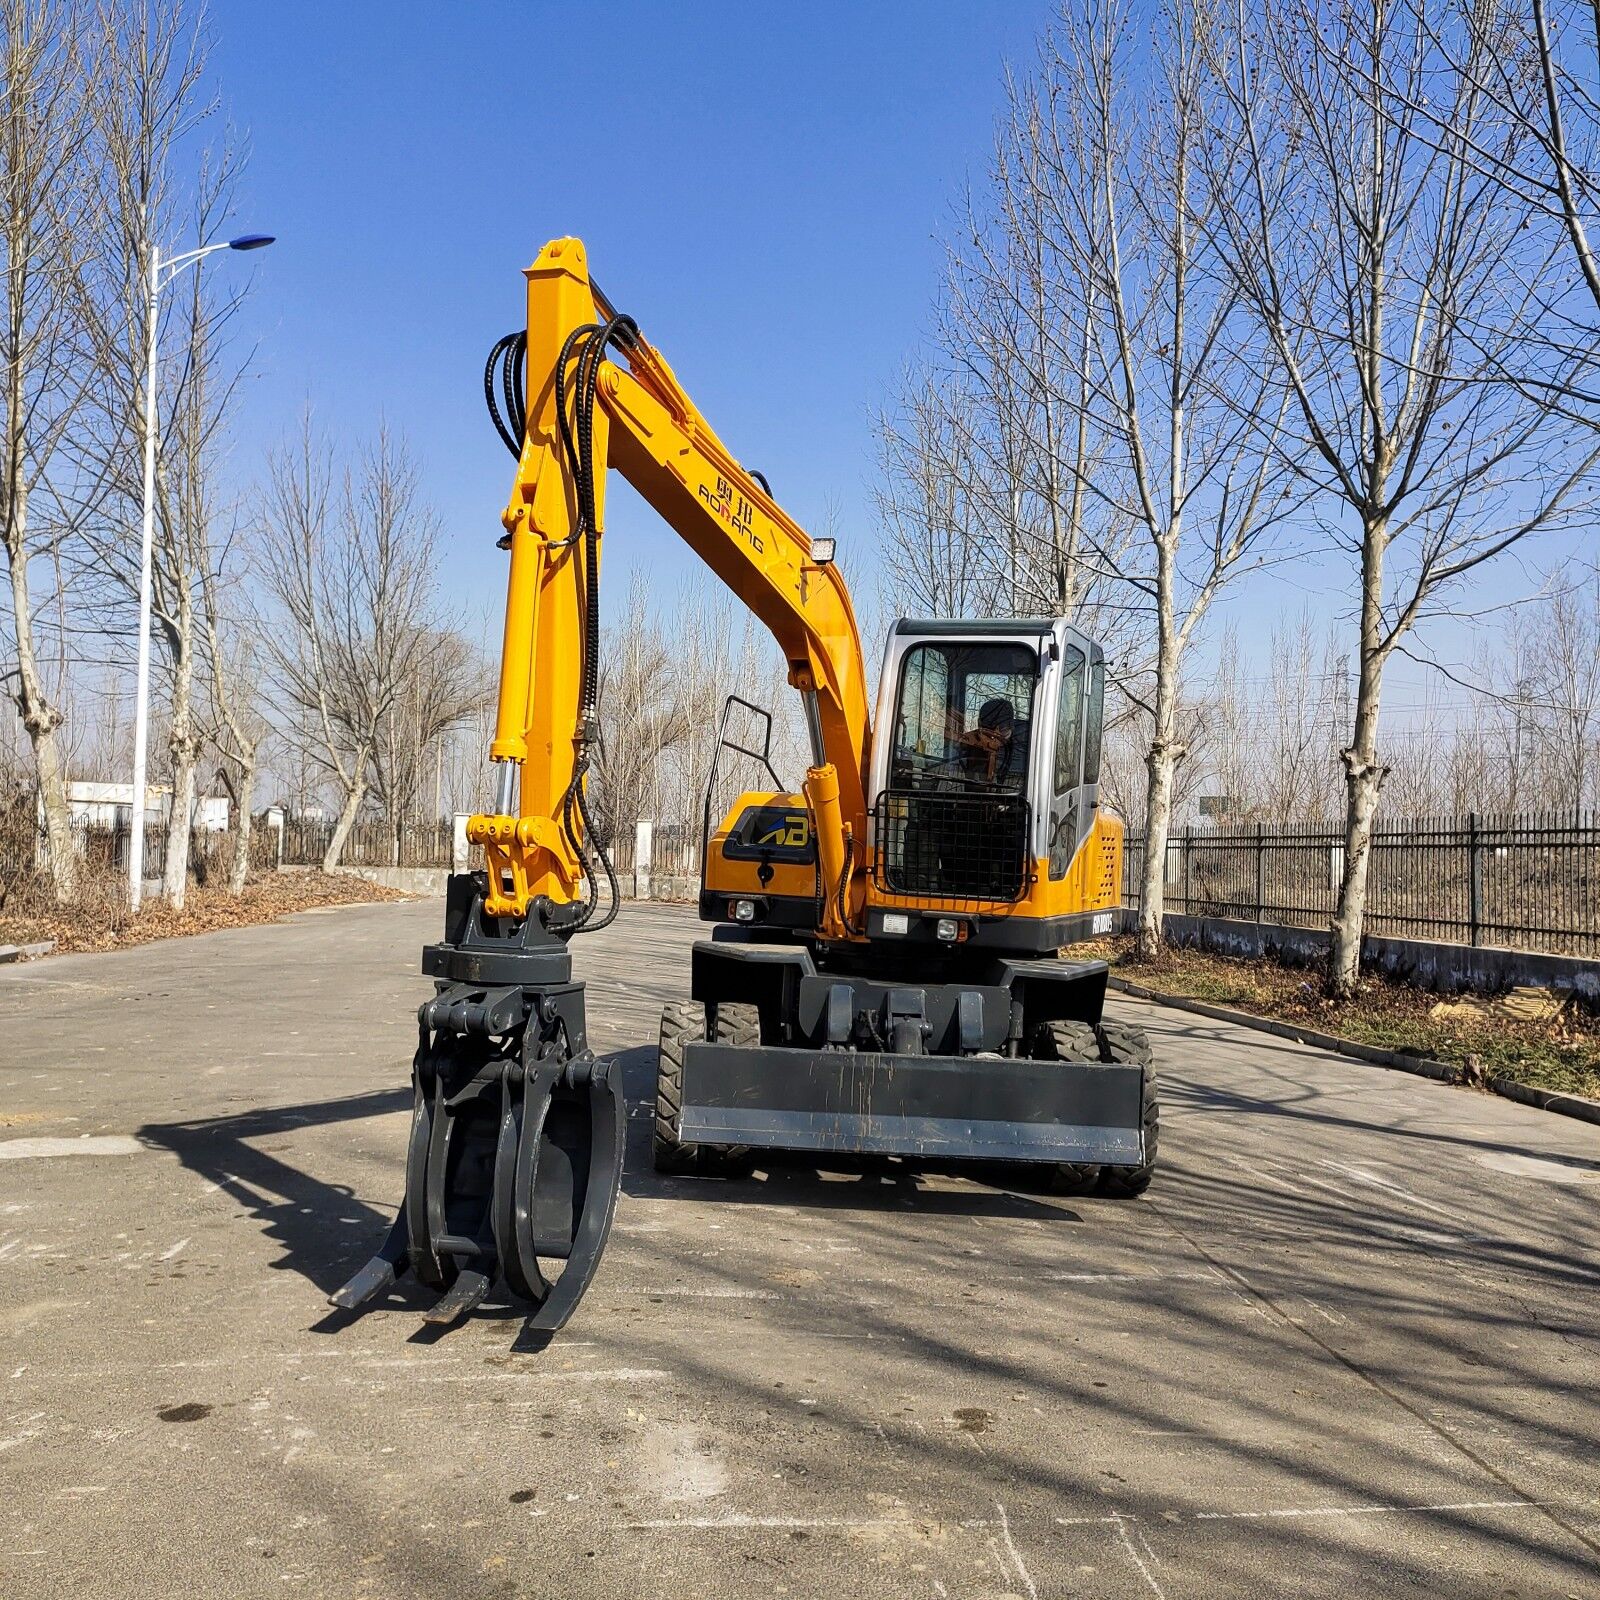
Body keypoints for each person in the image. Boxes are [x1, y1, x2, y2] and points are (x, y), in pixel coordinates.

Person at [958, 697, 1016, 783]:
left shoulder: (1025, 753)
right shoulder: (966, 745)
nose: (991, 740)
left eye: (1002, 731)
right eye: (985, 732)